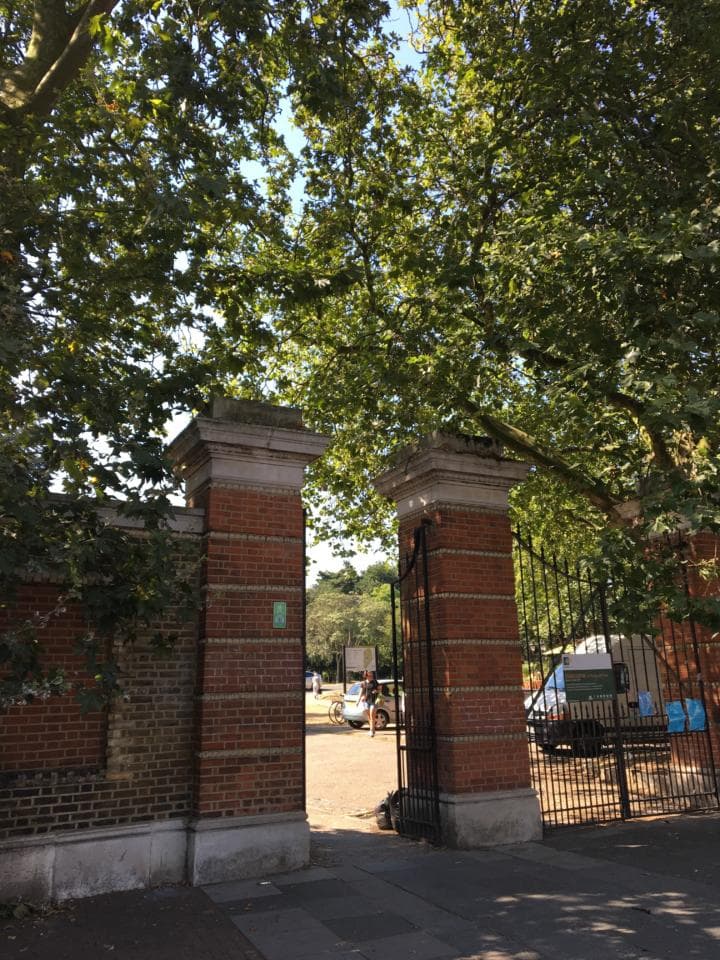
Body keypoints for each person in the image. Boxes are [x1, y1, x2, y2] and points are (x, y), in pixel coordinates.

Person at [357, 670, 380, 737]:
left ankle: (372, 731)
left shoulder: (375, 682)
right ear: (366, 676)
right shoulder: (364, 683)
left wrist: (376, 691)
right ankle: (372, 729)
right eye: (369, 675)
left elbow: (380, 690)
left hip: (374, 701)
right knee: (369, 717)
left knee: (372, 715)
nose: (371, 677)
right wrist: (358, 701)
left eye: (372, 675)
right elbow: (361, 692)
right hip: (366, 702)